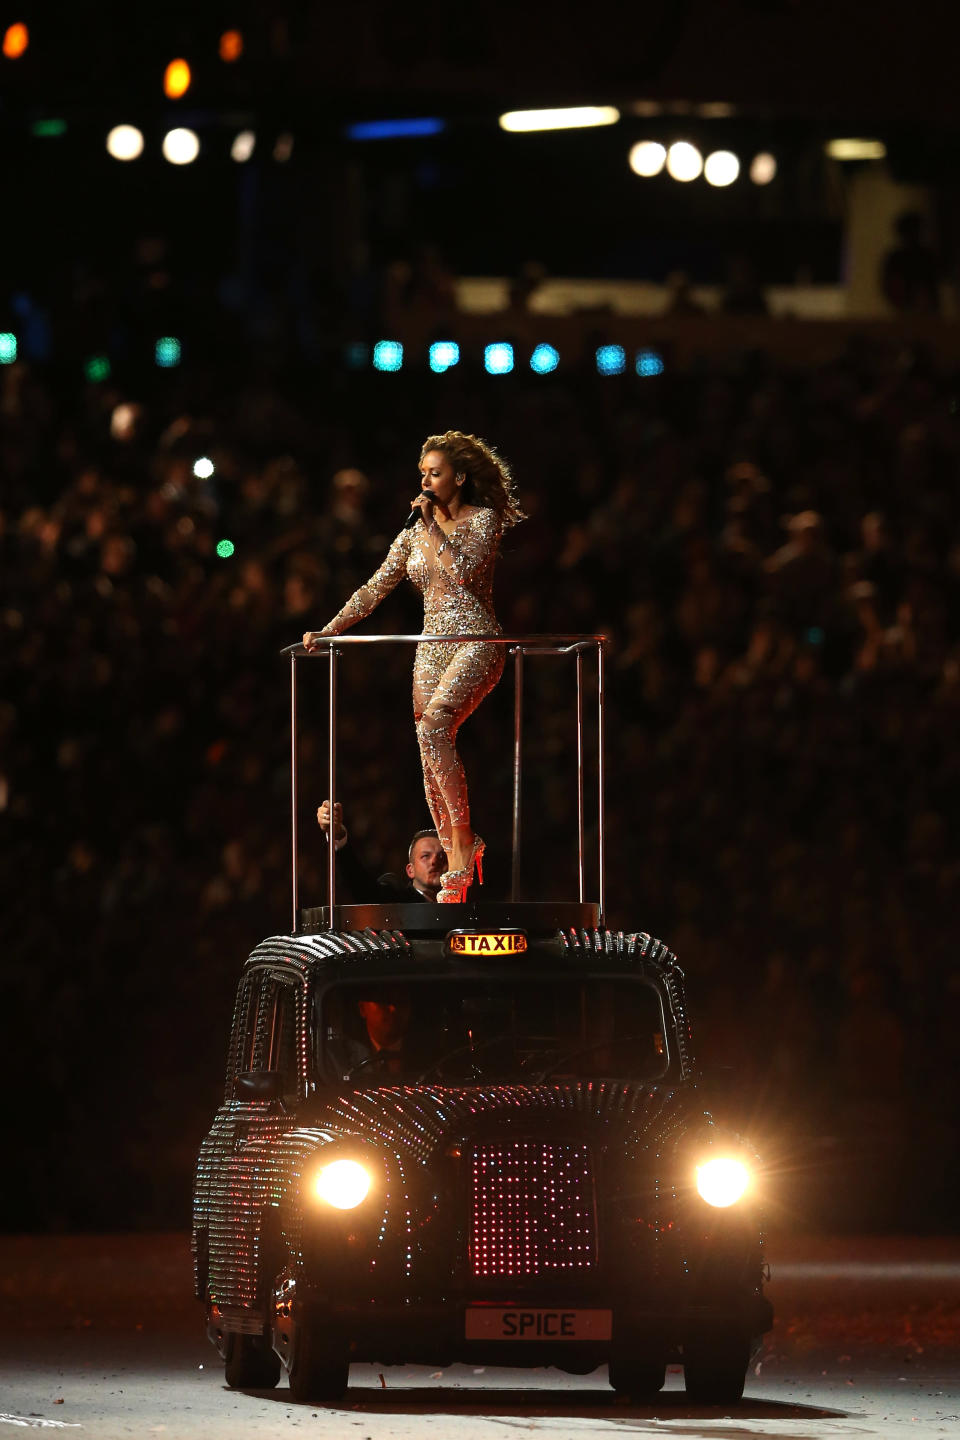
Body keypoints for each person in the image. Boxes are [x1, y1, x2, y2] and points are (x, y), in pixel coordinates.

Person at [304, 431, 524, 902]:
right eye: (422, 473)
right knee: (426, 743)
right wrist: (330, 628)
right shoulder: (411, 536)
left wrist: (432, 529)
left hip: (475, 639)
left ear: (459, 478)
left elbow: (463, 570)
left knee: (436, 724)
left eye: (435, 473)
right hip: (431, 646)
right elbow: (375, 587)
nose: (425, 481)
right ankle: (455, 853)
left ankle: (463, 844)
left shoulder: (482, 521)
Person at [317, 799, 447, 902]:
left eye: (441, 857)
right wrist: (338, 835)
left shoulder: (461, 905)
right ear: (410, 870)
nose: (434, 861)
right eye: (425, 856)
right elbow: (362, 888)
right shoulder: (397, 897)